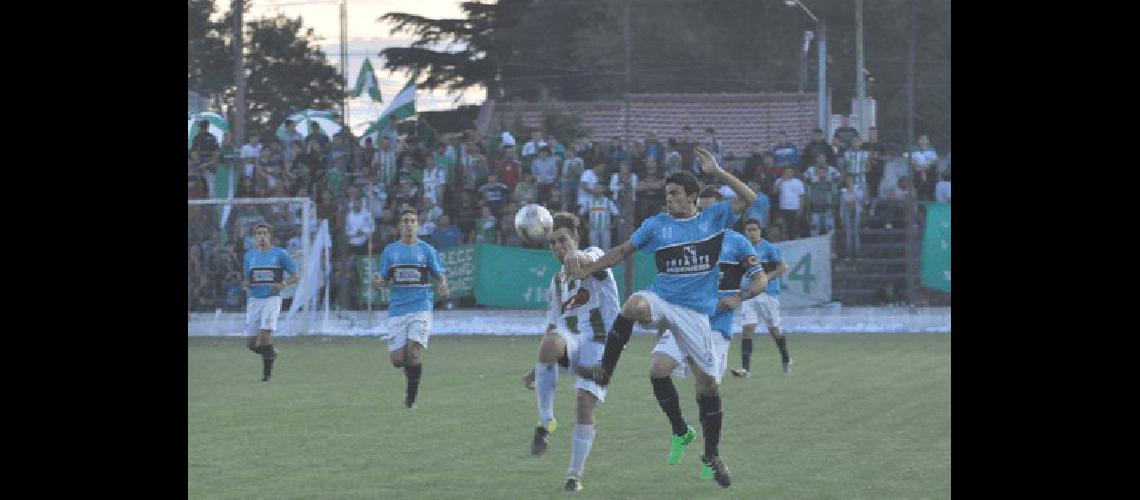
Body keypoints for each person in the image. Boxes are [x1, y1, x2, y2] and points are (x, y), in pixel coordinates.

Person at [566, 147, 755, 488]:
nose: (669, 200)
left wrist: (717, 172)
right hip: (663, 299)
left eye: (675, 194)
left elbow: (749, 196)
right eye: (667, 194)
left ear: (693, 197)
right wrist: (589, 269)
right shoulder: (657, 225)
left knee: (708, 386)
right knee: (635, 305)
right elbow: (623, 252)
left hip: (697, 315)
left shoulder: (714, 220)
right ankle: (605, 370)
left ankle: (711, 452)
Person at [648, 189, 766, 482]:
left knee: (708, 389)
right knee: (658, 370)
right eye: (704, 210)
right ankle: (680, 430)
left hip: (715, 327)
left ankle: (711, 453)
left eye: (715, 211)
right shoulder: (685, 240)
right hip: (684, 319)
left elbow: (761, 280)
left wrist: (738, 298)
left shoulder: (737, 243)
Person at [520, 212, 621, 492]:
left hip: (602, 343)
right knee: (551, 342)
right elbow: (553, 325)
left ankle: (574, 475)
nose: (557, 247)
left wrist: (581, 260)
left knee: (584, 401)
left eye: (562, 240)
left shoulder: (595, 255)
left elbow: (592, 262)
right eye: (552, 243)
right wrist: (537, 365)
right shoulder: (556, 283)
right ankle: (545, 422)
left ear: (576, 238)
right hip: (572, 341)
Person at [372, 210, 449, 409]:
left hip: (421, 306)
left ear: (418, 225)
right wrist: (379, 282)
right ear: (399, 226)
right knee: (398, 360)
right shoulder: (390, 251)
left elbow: (439, 273)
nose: (409, 224)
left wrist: (442, 284)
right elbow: (383, 277)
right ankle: (411, 373)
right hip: (398, 308)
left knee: (413, 353)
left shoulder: (426, 250)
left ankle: (410, 400)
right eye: (405, 221)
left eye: (413, 221)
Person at [732, 219, 792, 377]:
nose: (751, 233)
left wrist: (765, 277)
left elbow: (783, 267)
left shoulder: (769, 248)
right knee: (747, 329)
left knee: (774, 330)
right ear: (744, 232)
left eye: (754, 230)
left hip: (768, 293)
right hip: (750, 294)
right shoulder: (743, 250)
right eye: (748, 230)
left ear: (760, 231)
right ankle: (745, 369)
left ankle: (786, 358)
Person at [242, 223, 300, 382]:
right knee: (251, 343)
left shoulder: (280, 253)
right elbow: (248, 277)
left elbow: (295, 275)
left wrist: (284, 284)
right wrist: (246, 283)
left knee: (264, 334)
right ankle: (271, 354)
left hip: (272, 299)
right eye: (258, 233)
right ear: (254, 237)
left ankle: (266, 376)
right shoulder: (249, 255)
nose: (261, 236)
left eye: (264, 233)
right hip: (254, 300)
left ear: (270, 236)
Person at [773, 167, 806, 240]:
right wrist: (782, 181)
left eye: (790, 172)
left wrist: (800, 209)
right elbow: (775, 192)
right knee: (784, 228)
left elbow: (802, 197)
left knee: (795, 228)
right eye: (786, 172)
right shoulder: (779, 181)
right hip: (783, 209)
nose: (788, 173)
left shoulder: (798, 182)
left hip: (795, 209)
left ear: (793, 172)